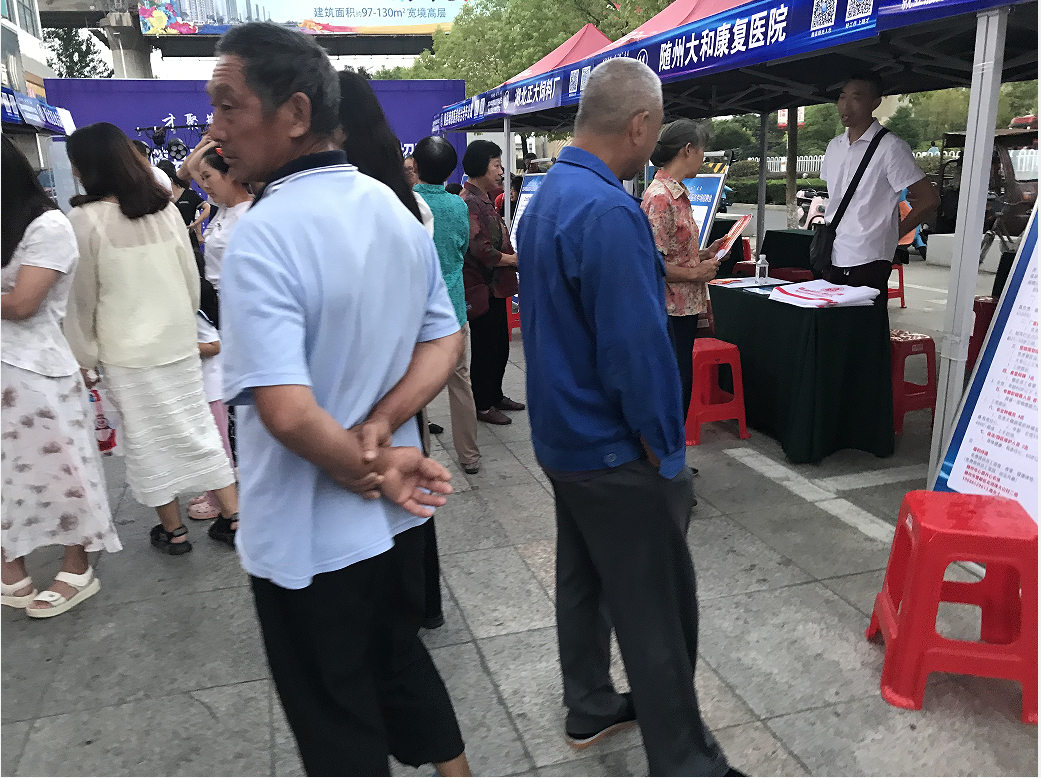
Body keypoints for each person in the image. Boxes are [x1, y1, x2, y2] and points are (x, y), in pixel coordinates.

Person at [208, 23, 469, 776]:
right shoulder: (390, 207)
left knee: (336, 723)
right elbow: (443, 341)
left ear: (295, 113)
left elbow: (287, 412)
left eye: (228, 105)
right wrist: (384, 432)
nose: (215, 128)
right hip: (397, 518)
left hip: (311, 534)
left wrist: (367, 465)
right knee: (401, 667)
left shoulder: (262, 233)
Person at [515, 58, 740, 777]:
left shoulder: (548, 194)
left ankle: (587, 702)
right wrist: (662, 449)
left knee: (583, 577)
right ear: (640, 125)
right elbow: (635, 353)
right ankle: (685, 759)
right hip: (611, 447)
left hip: (562, 436)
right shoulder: (609, 210)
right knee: (658, 609)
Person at [63, 122, 240, 555]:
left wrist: (83, 355)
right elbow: (191, 280)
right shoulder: (163, 210)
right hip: (178, 343)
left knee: (147, 440)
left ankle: (174, 533)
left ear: (86, 167)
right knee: (199, 432)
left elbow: (82, 298)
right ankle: (234, 517)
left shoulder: (83, 220)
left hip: (125, 352)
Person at [335, 69, 448, 630]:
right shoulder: (408, 205)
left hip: (359, 377)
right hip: (406, 373)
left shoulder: (344, 207)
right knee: (410, 475)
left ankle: (389, 614)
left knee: (376, 481)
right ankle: (421, 602)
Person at [0, 135, 121, 618]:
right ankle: (10, 564)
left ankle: (77, 565)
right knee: (5, 477)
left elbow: (23, 303)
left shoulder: (48, 225)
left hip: (36, 375)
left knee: (64, 472)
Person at [819, 72, 939, 298]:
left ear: (875, 103)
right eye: (842, 97)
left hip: (870, 256)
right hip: (833, 251)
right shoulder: (834, 146)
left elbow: (929, 199)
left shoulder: (891, 147)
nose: (846, 105)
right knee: (831, 316)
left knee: (865, 318)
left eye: (856, 98)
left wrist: (894, 235)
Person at [642, 119, 725, 422]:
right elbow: (651, 263)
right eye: (702, 151)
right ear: (688, 150)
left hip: (683, 307)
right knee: (673, 388)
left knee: (681, 383)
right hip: (668, 308)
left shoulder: (676, 193)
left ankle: (671, 445)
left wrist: (704, 253)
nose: (703, 159)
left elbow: (673, 250)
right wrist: (695, 273)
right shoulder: (661, 197)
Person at [413, 136, 480, 476]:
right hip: (453, 305)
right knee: (460, 381)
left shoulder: (404, 203)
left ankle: (420, 453)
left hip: (416, 310)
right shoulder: (458, 205)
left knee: (413, 385)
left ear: (414, 165)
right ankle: (469, 454)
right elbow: (463, 247)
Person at [461, 140, 525, 426]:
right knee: (486, 347)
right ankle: (483, 404)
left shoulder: (484, 198)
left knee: (499, 345)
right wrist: (512, 260)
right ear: (480, 167)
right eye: (496, 165)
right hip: (483, 287)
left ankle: (495, 394)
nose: (501, 171)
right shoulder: (469, 201)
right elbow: (480, 248)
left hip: (496, 286)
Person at [184, 142, 253, 292]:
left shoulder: (248, 215)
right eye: (202, 178)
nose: (205, 185)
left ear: (230, 174)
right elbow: (191, 166)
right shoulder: (224, 206)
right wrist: (211, 140)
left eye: (207, 176)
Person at [157, 159, 210, 245]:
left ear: (170, 180)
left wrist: (196, 226)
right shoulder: (159, 197)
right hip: (167, 238)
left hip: (187, 238)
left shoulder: (189, 194)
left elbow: (206, 207)